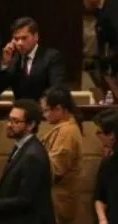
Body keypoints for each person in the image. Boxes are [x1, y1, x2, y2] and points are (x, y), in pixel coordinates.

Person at [0, 99, 54, 224]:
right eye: (9, 119)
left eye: (16, 121)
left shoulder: (33, 155)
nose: (9, 124)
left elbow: (25, 200)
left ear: (31, 125)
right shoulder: (22, 147)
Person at [40, 87, 83, 224]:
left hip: (58, 201)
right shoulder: (65, 128)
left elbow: (56, 170)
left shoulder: (66, 132)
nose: (44, 115)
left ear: (58, 109)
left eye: (46, 110)